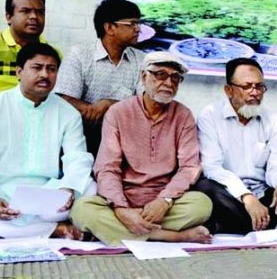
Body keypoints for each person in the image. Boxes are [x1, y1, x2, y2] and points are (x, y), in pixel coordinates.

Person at [70, 51, 212, 246]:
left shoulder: (183, 115)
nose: (169, 83)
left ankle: (123, 232)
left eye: (175, 78)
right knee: (82, 209)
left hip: (163, 203)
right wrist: (121, 209)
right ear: (144, 77)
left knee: (202, 205)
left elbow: (189, 167)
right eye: (160, 74)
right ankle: (171, 236)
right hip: (124, 198)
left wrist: (165, 200)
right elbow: (107, 167)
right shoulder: (118, 113)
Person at [195, 58, 277, 236]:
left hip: (265, 197)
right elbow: (213, 168)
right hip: (231, 196)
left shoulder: (274, 122)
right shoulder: (209, 116)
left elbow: (276, 165)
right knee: (205, 188)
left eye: (259, 87)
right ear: (229, 90)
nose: (254, 93)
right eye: (247, 86)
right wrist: (246, 197)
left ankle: (240, 225)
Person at [0, 43, 94, 239]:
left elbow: (77, 157)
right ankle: (55, 229)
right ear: (19, 72)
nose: (45, 75)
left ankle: (21, 230)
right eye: (37, 68)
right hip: (2, 193)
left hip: (49, 194)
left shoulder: (68, 113)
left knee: (90, 187)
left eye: (51, 69)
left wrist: (69, 187)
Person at [55, 0, 146, 157]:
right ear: (110, 27)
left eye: (138, 23)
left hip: (125, 138)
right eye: (132, 24)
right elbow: (63, 98)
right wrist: (94, 111)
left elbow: (146, 104)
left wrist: (110, 105)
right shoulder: (80, 55)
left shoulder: (142, 60)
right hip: (81, 135)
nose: (138, 29)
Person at [0, 0, 51, 95]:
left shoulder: (51, 54)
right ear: (9, 17)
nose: (34, 16)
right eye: (25, 11)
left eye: (40, 12)